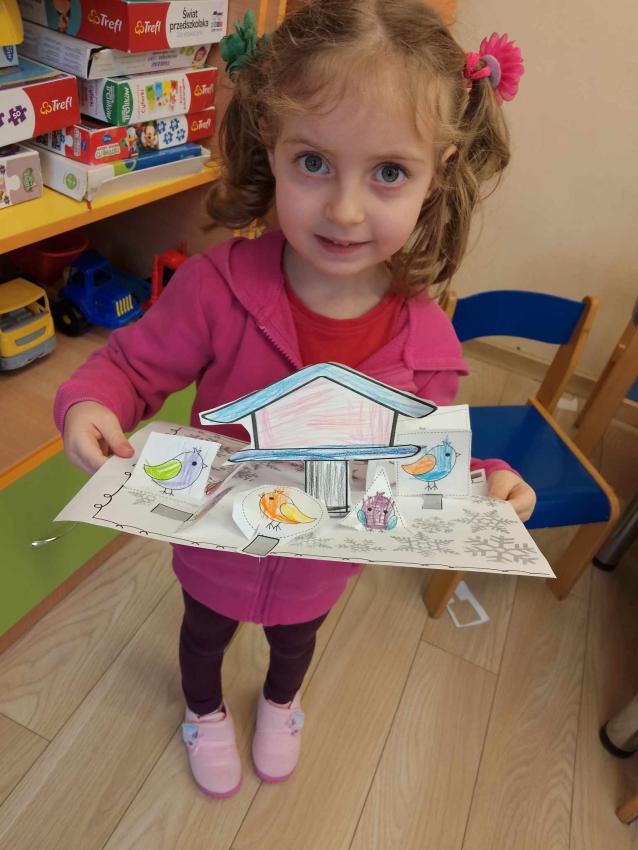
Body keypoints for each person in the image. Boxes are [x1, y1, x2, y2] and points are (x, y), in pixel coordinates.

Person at [55, 0, 535, 800]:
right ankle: (203, 712)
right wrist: (89, 404)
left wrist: (486, 482)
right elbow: (130, 369)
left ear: (439, 170)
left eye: (389, 172)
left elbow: (429, 461)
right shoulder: (215, 288)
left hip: (321, 561)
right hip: (213, 545)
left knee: (296, 642)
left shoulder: (428, 344)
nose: (345, 210)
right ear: (269, 144)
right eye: (313, 161)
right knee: (203, 636)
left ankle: (282, 704)